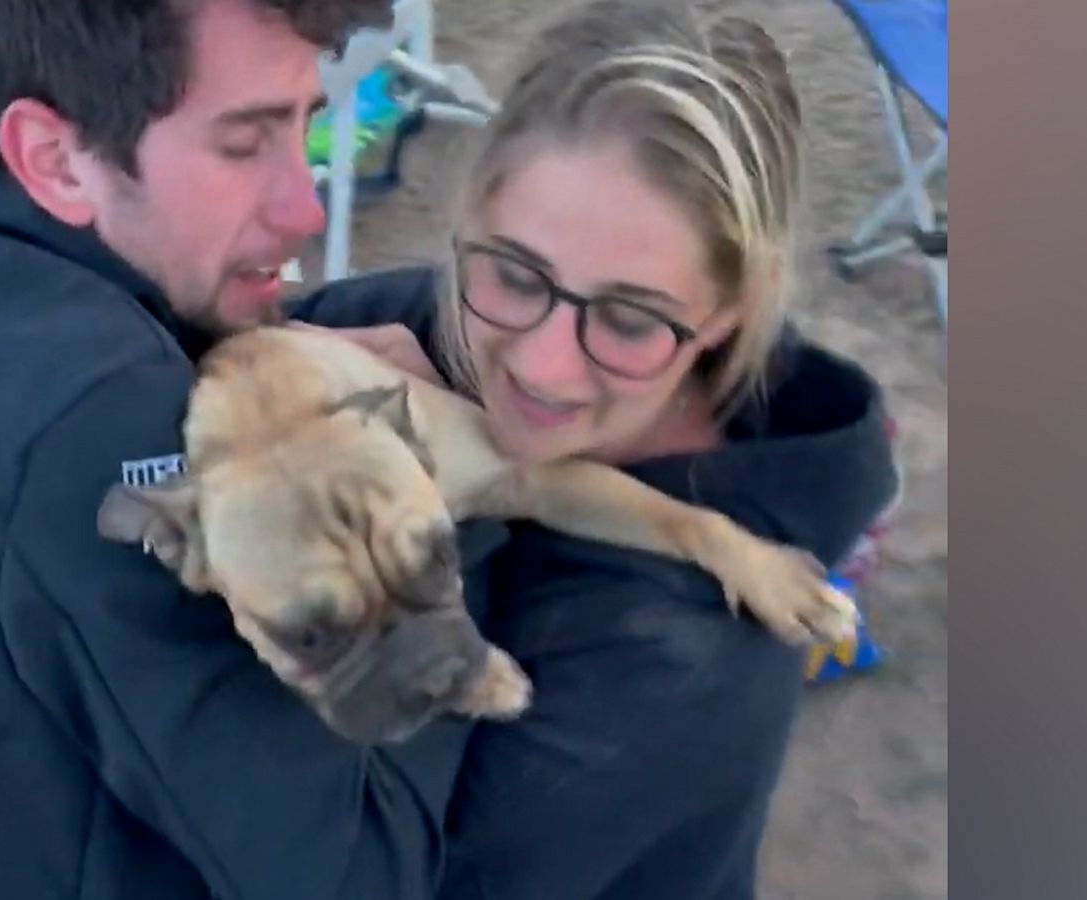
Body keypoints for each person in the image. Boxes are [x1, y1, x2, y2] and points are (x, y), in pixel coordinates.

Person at [290, 2, 901, 897]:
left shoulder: (683, 670)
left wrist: (437, 496)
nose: (540, 365)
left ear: (725, 317)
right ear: (469, 224)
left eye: (628, 319)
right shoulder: (428, 328)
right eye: (511, 271)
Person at [0, 2, 502, 899]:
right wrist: (447, 500)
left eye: (307, 127)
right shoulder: (100, 422)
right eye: (243, 144)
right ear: (54, 158)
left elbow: (221, 334)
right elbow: (358, 873)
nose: (306, 205)